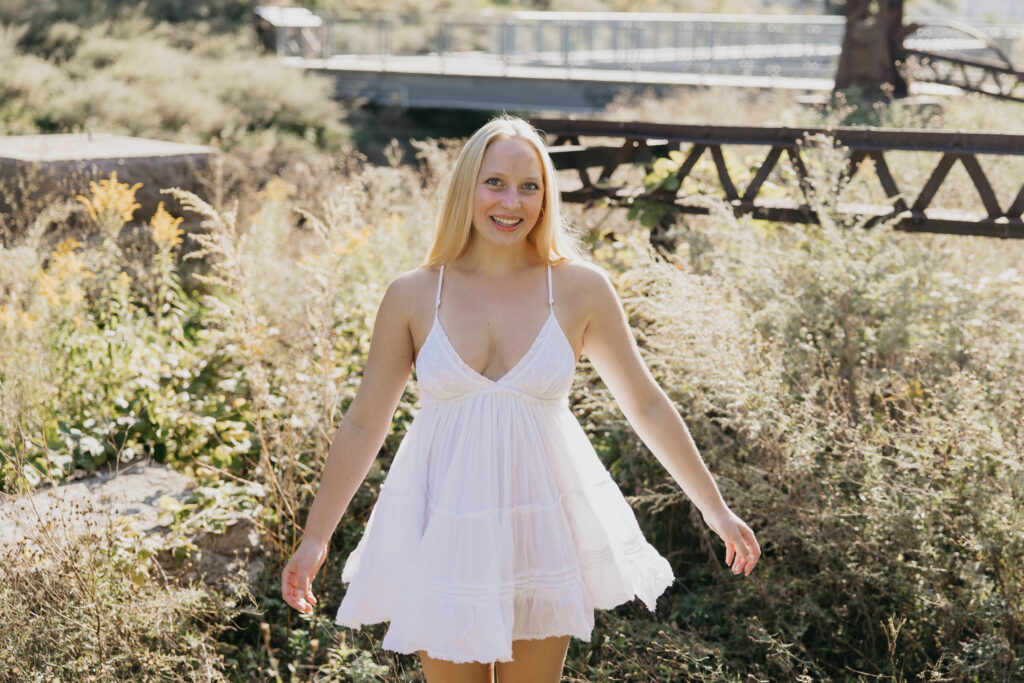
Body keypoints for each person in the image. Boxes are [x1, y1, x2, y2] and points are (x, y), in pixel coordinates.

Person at [281, 115, 760, 683]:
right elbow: (364, 422)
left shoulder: (580, 288)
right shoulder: (413, 294)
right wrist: (316, 537)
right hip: (446, 523)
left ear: (546, 197)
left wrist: (716, 509)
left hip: (541, 528)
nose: (512, 201)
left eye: (529, 186)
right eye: (495, 183)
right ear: (466, 188)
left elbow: (646, 404)